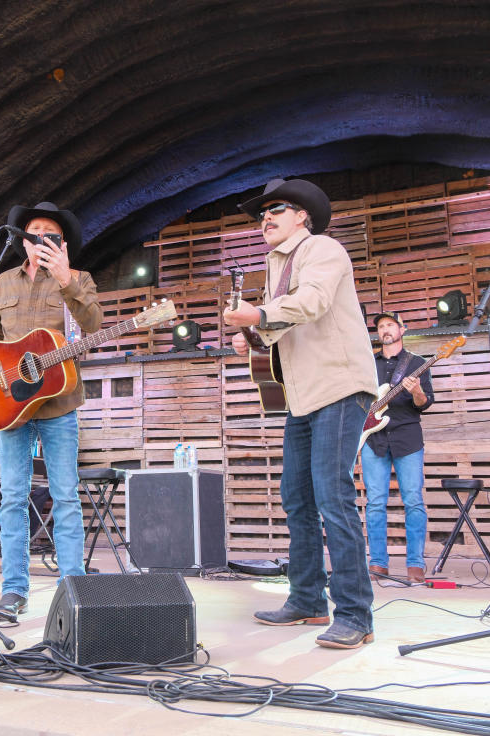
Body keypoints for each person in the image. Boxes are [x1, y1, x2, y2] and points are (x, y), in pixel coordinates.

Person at [223, 178, 378, 649]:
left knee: (333, 498)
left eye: (277, 209)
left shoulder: (323, 249)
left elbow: (312, 302)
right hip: (303, 396)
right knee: (297, 500)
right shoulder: (277, 268)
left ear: (303, 216)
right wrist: (253, 334)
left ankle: (356, 615)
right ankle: (308, 600)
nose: (265, 218)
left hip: (338, 384)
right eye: (261, 213)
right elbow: (283, 326)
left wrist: (259, 318)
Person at [0, 202, 103, 618]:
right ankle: (13, 590)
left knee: (65, 496)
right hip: (10, 406)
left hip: (59, 403)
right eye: (33, 232)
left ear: (61, 243)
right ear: (22, 240)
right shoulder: (3, 281)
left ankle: (71, 589)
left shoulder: (80, 279)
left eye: (50, 234)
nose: (40, 238)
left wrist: (66, 280)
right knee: (13, 497)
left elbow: (92, 326)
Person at [361, 311, 433, 583]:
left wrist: (415, 391)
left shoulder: (417, 364)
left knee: (413, 500)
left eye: (390, 325)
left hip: (407, 438)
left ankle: (415, 564)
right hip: (374, 438)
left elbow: (424, 404)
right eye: (381, 327)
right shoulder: (367, 363)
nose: (386, 330)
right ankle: (378, 563)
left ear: (402, 329)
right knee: (375, 502)